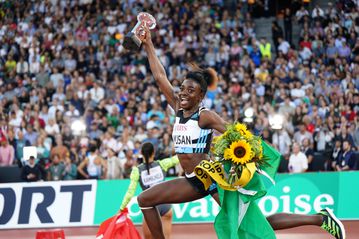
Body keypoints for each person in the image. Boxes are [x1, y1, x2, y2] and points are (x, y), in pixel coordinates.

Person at [136, 26, 345, 239]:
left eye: (191, 90)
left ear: (200, 97)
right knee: (144, 200)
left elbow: (237, 135)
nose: (183, 93)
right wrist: (149, 44)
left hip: (214, 179)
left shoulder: (205, 116)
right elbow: (160, 76)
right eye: (182, 88)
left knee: (252, 223)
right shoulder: (178, 107)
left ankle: (320, 218)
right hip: (193, 180)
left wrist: (241, 157)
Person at [120, 142, 179, 239]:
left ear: (141, 153)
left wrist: (122, 208)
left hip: (150, 208)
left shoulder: (137, 171)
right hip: (166, 206)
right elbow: (177, 159)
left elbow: (130, 193)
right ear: (154, 152)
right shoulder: (162, 164)